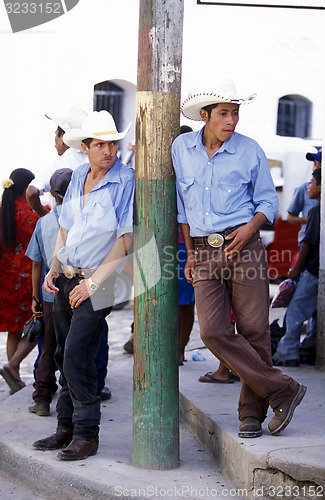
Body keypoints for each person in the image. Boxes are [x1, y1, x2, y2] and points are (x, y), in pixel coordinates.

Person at [172, 79, 306, 439]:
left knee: (254, 331)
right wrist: (189, 252)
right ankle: (282, 388)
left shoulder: (250, 150)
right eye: (224, 114)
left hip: (244, 246)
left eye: (235, 113)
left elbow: (267, 202)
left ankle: (251, 414)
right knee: (212, 331)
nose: (231, 120)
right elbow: (182, 209)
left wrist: (250, 231)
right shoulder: (181, 148)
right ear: (205, 115)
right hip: (202, 249)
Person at [32, 110, 134, 461]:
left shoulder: (126, 180)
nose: (109, 150)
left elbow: (125, 241)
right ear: (86, 147)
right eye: (101, 144)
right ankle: (65, 427)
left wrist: (92, 284)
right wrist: (54, 266)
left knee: (77, 353)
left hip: (100, 280)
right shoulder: (78, 176)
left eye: (113, 143)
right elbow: (65, 225)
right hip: (67, 274)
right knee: (62, 352)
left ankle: (87, 434)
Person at [25, 168, 73, 416]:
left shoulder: (43, 223)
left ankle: (42, 397)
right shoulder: (84, 219)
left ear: (53, 194)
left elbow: (35, 263)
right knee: (77, 345)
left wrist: (35, 297)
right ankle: (76, 392)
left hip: (50, 294)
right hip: (80, 290)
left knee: (48, 347)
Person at [272, 168, 321, 366]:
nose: (309, 187)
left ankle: (288, 352)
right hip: (318, 268)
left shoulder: (316, 211)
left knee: (295, 312)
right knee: (315, 313)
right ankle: (309, 346)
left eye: (313, 182)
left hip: (312, 269)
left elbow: (308, 244)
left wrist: (295, 269)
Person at [0, 169, 39, 394]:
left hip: (5, 280)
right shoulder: (31, 212)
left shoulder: (3, 210)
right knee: (38, 327)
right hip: (26, 278)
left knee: (13, 330)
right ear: (26, 187)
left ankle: (12, 375)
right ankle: (13, 367)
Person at [286, 150, 321, 358]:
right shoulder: (304, 191)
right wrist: (312, 222)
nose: (315, 165)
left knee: (302, 307)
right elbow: (291, 218)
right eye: (315, 162)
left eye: (318, 163)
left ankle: (293, 349)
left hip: (311, 260)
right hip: (307, 255)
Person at [26, 106, 88, 217]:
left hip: (62, 228)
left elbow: (31, 192)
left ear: (64, 138)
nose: (55, 140)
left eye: (56, 134)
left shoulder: (58, 164)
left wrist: (45, 216)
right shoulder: (92, 160)